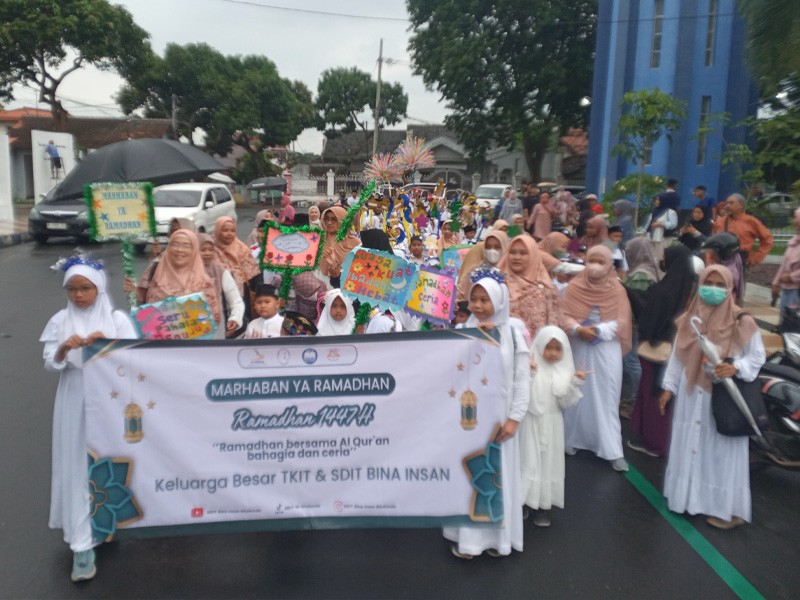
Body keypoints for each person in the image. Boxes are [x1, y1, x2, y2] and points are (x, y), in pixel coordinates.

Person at [40, 258, 137, 582]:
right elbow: (50, 364)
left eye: (85, 288)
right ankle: (81, 545)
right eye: (72, 289)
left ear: (99, 288)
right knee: (77, 466)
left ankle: (105, 522)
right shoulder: (60, 320)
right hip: (75, 397)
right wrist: (63, 349)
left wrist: (107, 346)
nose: (79, 295)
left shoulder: (116, 319)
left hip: (110, 399)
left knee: (106, 463)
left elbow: (133, 359)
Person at [660, 265, 765, 529]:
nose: (713, 290)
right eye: (709, 283)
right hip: (691, 394)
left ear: (730, 289)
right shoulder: (690, 319)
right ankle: (688, 499)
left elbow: (756, 357)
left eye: (720, 285)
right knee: (691, 445)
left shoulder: (742, 321)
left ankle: (728, 509)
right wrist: (668, 388)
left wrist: (735, 367)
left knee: (722, 452)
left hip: (721, 397)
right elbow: (677, 356)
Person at [444, 272, 531, 559]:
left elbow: (522, 379)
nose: (479, 305)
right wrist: (476, 339)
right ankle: (468, 541)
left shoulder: (513, 334)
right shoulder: (462, 330)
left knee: (497, 477)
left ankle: (498, 540)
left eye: (485, 300)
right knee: (471, 476)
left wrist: (514, 418)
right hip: (468, 421)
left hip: (501, 420)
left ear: (499, 301)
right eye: (475, 299)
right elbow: (451, 372)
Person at [561, 246, 633, 472]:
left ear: (610, 265)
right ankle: (569, 440)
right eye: (592, 260)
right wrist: (577, 329)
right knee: (575, 391)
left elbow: (622, 320)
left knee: (607, 395)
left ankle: (611, 450)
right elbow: (563, 314)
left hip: (606, 348)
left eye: (601, 262)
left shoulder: (617, 290)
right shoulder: (574, 286)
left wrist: (600, 330)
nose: (595, 266)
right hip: (578, 345)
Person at [626, 245, 697, 457]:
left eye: (665, 258)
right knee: (668, 395)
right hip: (680, 351)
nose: (662, 261)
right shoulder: (691, 289)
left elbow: (648, 314)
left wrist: (624, 289)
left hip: (657, 351)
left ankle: (655, 442)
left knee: (652, 395)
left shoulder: (663, 290)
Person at [520, 326, 585, 528]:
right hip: (530, 423)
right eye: (549, 348)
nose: (553, 353)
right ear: (539, 346)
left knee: (548, 463)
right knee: (528, 460)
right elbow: (524, 396)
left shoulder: (564, 371)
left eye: (558, 349)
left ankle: (543, 506)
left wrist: (575, 383)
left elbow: (565, 402)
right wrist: (530, 374)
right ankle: (524, 500)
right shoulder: (530, 366)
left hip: (553, 424)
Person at [129, 230, 222, 327]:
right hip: (159, 334)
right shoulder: (156, 274)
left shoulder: (204, 282)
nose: (180, 249)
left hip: (195, 335)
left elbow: (214, 317)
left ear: (194, 250)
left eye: (186, 246)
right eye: (175, 244)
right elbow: (141, 307)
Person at [498, 236, 562, 340]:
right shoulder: (497, 284)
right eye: (512, 252)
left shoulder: (547, 288)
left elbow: (553, 327)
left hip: (537, 347)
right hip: (504, 346)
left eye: (523, 253)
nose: (517, 257)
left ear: (533, 255)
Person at [198, 233, 245, 338]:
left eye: (210, 250)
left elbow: (235, 299)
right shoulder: (186, 272)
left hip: (216, 324)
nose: (207, 253)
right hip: (192, 325)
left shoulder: (220, 272)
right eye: (203, 250)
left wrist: (235, 318)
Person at [711, 193, 774, 267]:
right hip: (720, 261)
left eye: (731, 203)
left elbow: (767, 239)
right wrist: (710, 261)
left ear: (741, 205)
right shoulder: (719, 222)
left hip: (742, 262)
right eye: (727, 203)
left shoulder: (751, 221)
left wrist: (756, 258)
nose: (727, 206)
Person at [456, 230, 509, 301]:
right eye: (488, 247)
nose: (492, 251)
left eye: (497, 247)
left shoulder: (511, 274)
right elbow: (461, 294)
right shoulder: (475, 271)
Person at [213, 216, 260, 295]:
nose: (229, 234)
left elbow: (253, 276)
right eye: (225, 230)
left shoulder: (242, 249)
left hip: (241, 292)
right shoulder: (211, 249)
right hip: (217, 292)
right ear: (218, 230)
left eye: (232, 231)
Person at [320, 206, 360, 289]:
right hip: (322, 283)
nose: (329, 222)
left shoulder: (355, 243)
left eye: (334, 219)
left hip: (347, 285)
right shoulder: (320, 240)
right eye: (327, 219)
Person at [771, 207, 800, 315]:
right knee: (786, 320)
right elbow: (784, 265)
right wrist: (775, 283)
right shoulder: (794, 242)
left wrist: (791, 277)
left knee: (794, 321)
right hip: (788, 290)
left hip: (797, 290)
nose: (794, 221)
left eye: (796, 218)